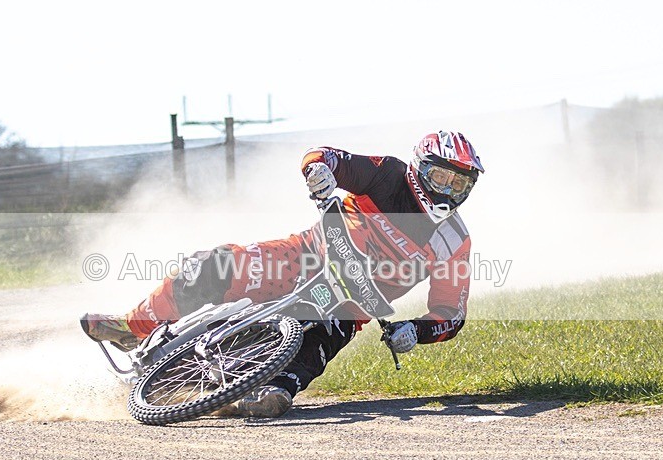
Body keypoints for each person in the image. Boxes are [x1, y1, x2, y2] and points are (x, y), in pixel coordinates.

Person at [82, 131, 485, 418]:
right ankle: (134, 326)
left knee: (307, 353)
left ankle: (272, 391)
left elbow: (451, 314)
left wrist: (416, 330)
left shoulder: (455, 241)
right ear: (419, 169)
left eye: (459, 183)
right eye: (440, 177)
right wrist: (319, 174)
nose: (447, 191)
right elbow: (323, 155)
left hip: (351, 305)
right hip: (306, 255)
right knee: (215, 265)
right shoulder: (387, 174)